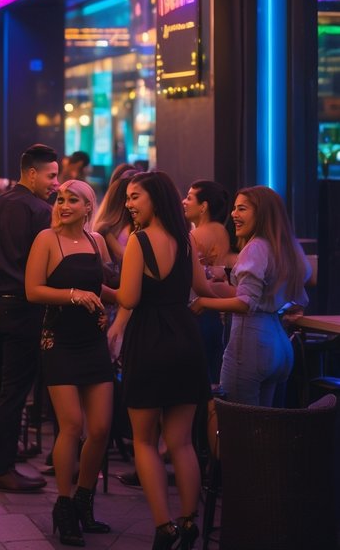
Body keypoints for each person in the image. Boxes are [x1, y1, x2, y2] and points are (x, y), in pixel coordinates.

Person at [108, 171, 210, 549]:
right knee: (181, 442)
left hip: (149, 341)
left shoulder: (139, 240)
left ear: (155, 198)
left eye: (135, 197)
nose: (129, 204)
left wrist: (104, 289)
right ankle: (189, 521)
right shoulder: (186, 239)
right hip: (185, 338)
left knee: (145, 441)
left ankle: (164, 527)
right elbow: (202, 288)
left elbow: (129, 298)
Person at [25, 180, 115, 545]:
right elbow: (33, 290)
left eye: (72, 200)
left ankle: (84, 500)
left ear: (88, 207)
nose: (62, 205)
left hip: (93, 341)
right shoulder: (47, 239)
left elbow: (98, 285)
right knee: (72, 425)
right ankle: (63, 506)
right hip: (59, 340)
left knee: (101, 428)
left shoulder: (97, 241)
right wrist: (75, 295)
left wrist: (119, 299)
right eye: (60, 199)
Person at [0, 143, 59, 493]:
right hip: (19, 306)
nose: (56, 183)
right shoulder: (41, 211)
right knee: (13, 389)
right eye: (51, 176)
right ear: (32, 173)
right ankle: (1, 468)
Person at [191, 186, 309, 406]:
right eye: (234, 208)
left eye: (242, 209)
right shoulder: (284, 248)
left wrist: (204, 302)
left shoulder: (255, 248)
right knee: (265, 423)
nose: (234, 214)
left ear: (261, 213)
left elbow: (246, 303)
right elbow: (287, 298)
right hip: (279, 346)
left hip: (251, 345)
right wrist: (222, 281)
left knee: (237, 421)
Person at [183, 179, 237, 385]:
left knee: (198, 381)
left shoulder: (195, 236)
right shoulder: (222, 231)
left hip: (200, 312)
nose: (183, 202)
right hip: (218, 316)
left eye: (189, 198)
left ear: (203, 206)